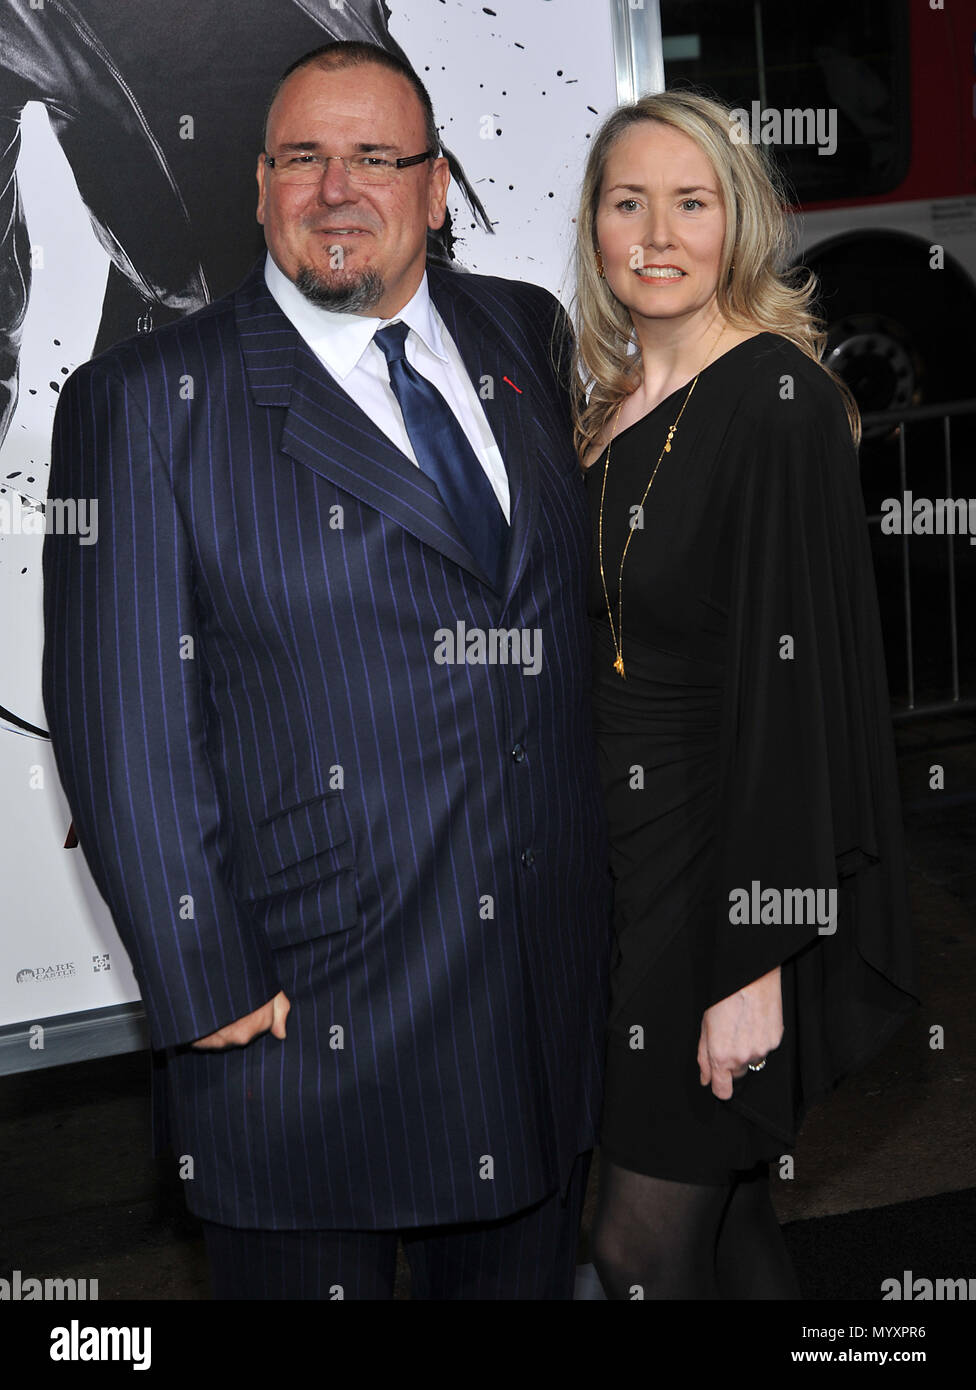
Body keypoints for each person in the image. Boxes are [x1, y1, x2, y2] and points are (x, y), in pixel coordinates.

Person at [41, 40, 611, 1300]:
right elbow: (121, 726)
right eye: (301, 157)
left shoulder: (523, 329)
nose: (334, 188)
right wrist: (206, 983)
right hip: (305, 1025)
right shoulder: (144, 404)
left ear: (436, 186)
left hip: (538, 1003)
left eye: (373, 158)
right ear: (257, 187)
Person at [571, 91, 918, 1300]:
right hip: (625, 864)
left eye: (691, 202)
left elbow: (801, 698)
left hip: (715, 876)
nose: (656, 234)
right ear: (594, 226)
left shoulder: (773, 400)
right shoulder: (606, 400)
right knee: (725, 1224)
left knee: (634, 1245)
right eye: (628, 202)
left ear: (742, 224)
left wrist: (752, 959)